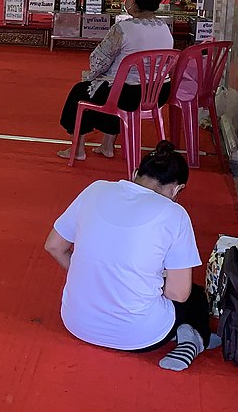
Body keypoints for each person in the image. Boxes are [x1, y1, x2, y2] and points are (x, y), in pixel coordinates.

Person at [44, 142, 215, 371]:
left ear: (135, 173)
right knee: (195, 298)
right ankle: (194, 338)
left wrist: (94, 274)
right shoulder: (175, 214)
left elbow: (54, 246)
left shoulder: (95, 189)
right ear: (177, 190)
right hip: (141, 336)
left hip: (77, 323)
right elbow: (178, 293)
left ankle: (187, 335)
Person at [58, 0, 174, 161]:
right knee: (115, 82)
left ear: (133, 2)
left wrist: (93, 76)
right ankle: (107, 145)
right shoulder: (165, 27)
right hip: (158, 92)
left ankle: (77, 148)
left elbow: (98, 59)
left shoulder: (123, 28)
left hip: (128, 95)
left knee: (82, 91)